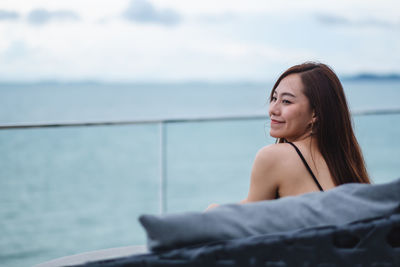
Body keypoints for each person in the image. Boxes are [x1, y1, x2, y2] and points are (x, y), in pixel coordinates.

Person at [207, 62, 370, 210]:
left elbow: (250, 226)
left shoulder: (274, 157)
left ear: (315, 113)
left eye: (286, 101)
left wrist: (213, 211)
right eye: (274, 98)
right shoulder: (344, 163)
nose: (273, 109)